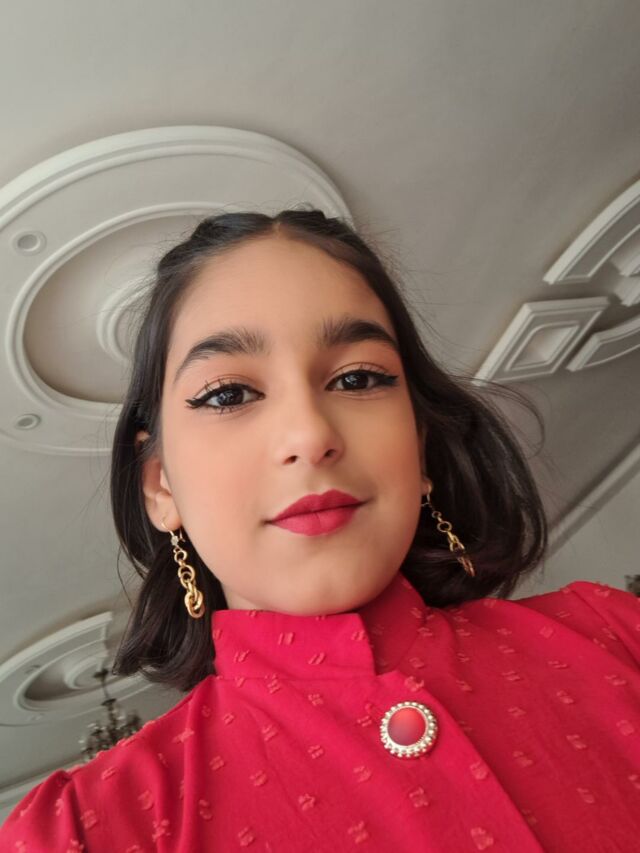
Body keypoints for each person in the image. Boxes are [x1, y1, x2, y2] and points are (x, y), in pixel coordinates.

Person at [1, 208, 638, 852]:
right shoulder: (84, 832)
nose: (310, 435)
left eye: (358, 378)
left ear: (418, 448)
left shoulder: (615, 636)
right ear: (162, 487)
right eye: (228, 394)